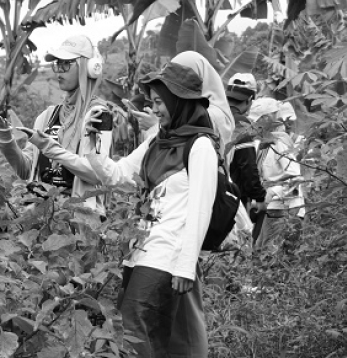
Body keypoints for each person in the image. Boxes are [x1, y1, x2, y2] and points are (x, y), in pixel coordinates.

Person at [86, 62, 217, 358]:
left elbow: (200, 209)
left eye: (160, 102)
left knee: (134, 332)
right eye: (152, 102)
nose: (154, 109)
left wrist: (186, 266)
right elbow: (118, 175)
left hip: (166, 253)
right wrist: (93, 146)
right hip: (140, 252)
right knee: (152, 337)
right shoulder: (158, 141)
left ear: (178, 102)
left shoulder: (201, 146)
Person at [0, 35, 113, 216]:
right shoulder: (47, 117)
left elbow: (97, 174)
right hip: (44, 218)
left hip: (81, 222)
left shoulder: (98, 116)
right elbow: (26, 169)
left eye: (66, 64)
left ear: (87, 68)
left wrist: (49, 147)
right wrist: (5, 137)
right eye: (57, 64)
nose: (59, 71)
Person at [249, 98, 305, 253]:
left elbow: (296, 179)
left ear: (266, 119)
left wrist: (272, 193)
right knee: (262, 253)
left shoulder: (280, 142)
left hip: (286, 209)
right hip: (271, 209)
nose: (253, 125)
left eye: (257, 121)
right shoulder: (262, 144)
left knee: (270, 257)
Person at [224, 74, 267, 243]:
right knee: (239, 246)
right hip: (233, 198)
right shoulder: (242, 124)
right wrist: (260, 197)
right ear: (249, 100)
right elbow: (247, 167)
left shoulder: (211, 116)